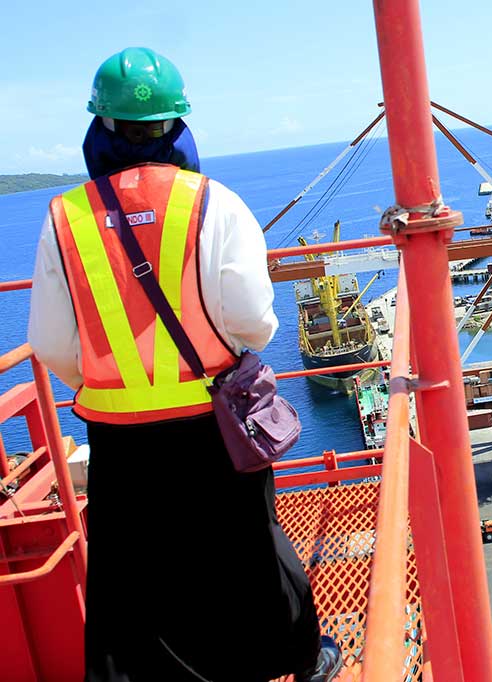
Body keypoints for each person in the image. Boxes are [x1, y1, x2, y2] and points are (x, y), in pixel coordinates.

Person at [29, 47, 339, 681]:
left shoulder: (65, 217)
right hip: (213, 421)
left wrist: (107, 388)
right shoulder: (214, 203)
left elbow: (50, 342)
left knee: (133, 575)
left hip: (117, 436)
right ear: (178, 126)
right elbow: (254, 319)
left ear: (99, 128)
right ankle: (294, 657)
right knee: (245, 546)